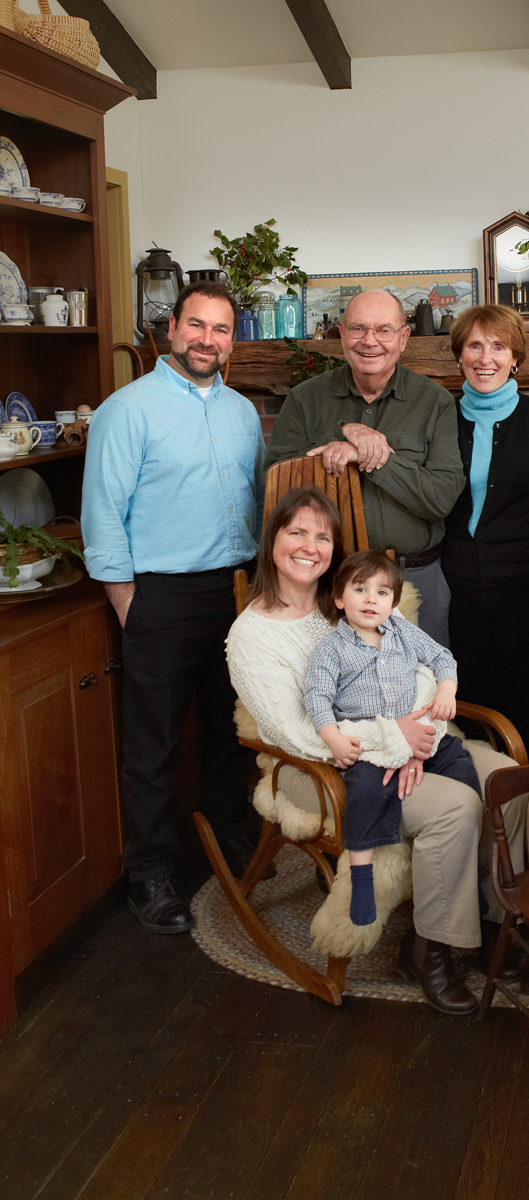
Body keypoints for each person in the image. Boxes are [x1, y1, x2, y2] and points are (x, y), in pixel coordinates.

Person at [226, 488, 523, 1014]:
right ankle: (430, 947)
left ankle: (505, 921)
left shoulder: (354, 600)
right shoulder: (251, 635)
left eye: (322, 536)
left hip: (411, 742)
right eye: (296, 532)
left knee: (506, 776)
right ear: (271, 539)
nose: (309, 546)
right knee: (455, 806)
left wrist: (417, 738)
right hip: (321, 767)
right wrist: (396, 740)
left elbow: (424, 667)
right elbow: (300, 733)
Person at [81, 281, 266, 935]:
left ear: (231, 342)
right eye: (196, 325)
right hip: (158, 594)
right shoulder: (126, 410)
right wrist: (133, 607)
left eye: (220, 329)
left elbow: (257, 502)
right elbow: (102, 518)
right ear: (172, 328)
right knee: (153, 744)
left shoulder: (244, 414)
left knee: (227, 733)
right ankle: (151, 874)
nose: (206, 339)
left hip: (234, 593)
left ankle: (228, 841)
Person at [264, 289, 465, 645]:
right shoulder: (304, 399)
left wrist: (377, 458)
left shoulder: (436, 403)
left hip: (415, 578)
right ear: (341, 334)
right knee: (330, 691)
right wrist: (344, 433)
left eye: (383, 330)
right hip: (329, 583)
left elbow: (441, 498)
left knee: (425, 691)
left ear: (403, 338)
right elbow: (276, 489)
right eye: (358, 328)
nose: (369, 341)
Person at [304, 551, 479, 926]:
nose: (371, 599)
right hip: (374, 745)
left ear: (393, 603)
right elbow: (316, 697)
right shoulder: (332, 649)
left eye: (382, 593)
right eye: (360, 589)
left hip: (417, 734)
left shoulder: (402, 633)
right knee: (365, 789)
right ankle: (362, 877)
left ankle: (474, 858)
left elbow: (442, 658)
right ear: (339, 599)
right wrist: (331, 735)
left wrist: (447, 691)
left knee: (460, 760)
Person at [443, 304, 529, 750]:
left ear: (515, 357)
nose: (486, 358)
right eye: (475, 345)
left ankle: (527, 797)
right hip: (456, 585)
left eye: (499, 347)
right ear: (459, 355)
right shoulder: (440, 419)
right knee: (470, 694)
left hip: (526, 587)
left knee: (526, 695)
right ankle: (483, 797)